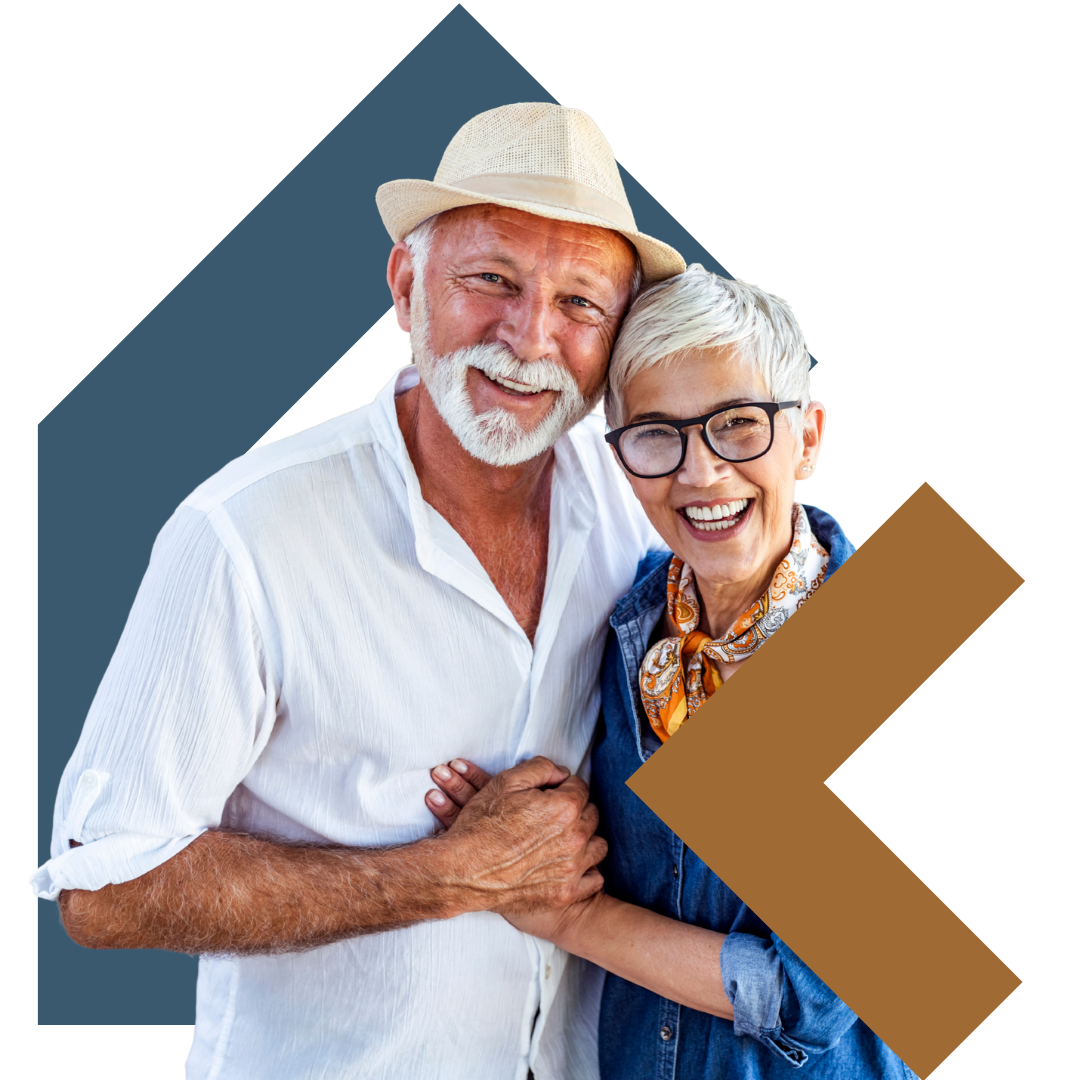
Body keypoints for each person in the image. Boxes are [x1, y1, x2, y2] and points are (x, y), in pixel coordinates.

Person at [29, 102, 687, 1080]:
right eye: (491, 280)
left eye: (581, 305)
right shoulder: (243, 533)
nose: (529, 337)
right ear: (405, 285)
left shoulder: (645, 501)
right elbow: (106, 892)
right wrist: (449, 875)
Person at [426, 266, 919, 1078]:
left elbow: (813, 994)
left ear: (809, 435)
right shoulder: (632, 619)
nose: (700, 473)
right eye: (658, 434)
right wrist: (514, 831)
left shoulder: (892, 643)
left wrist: (568, 918)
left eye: (738, 424)